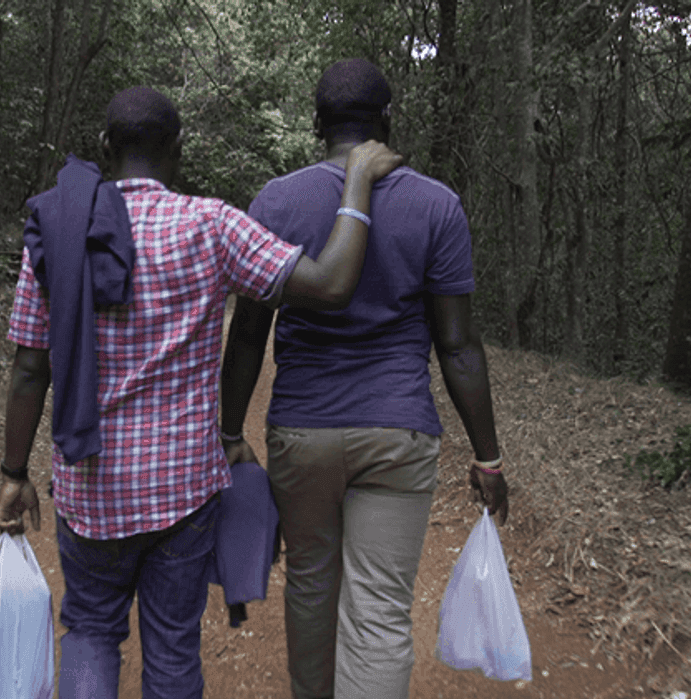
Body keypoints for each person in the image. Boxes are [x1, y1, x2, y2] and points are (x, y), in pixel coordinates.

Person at [0, 85, 403, 699]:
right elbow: (331, 282)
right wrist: (358, 181)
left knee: (89, 630)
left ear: (105, 147)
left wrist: (14, 471)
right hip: (181, 493)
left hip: (89, 490)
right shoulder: (211, 225)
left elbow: (30, 368)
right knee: (173, 645)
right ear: (179, 149)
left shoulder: (56, 232)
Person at [219, 59, 511, 699]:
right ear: (386, 121)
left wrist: (229, 430)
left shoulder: (277, 200)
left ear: (317, 123)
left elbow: (248, 332)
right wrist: (487, 457)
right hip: (397, 431)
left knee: (311, 585)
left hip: (303, 429)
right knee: (378, 611)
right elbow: (457, 344)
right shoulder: (437, 205)